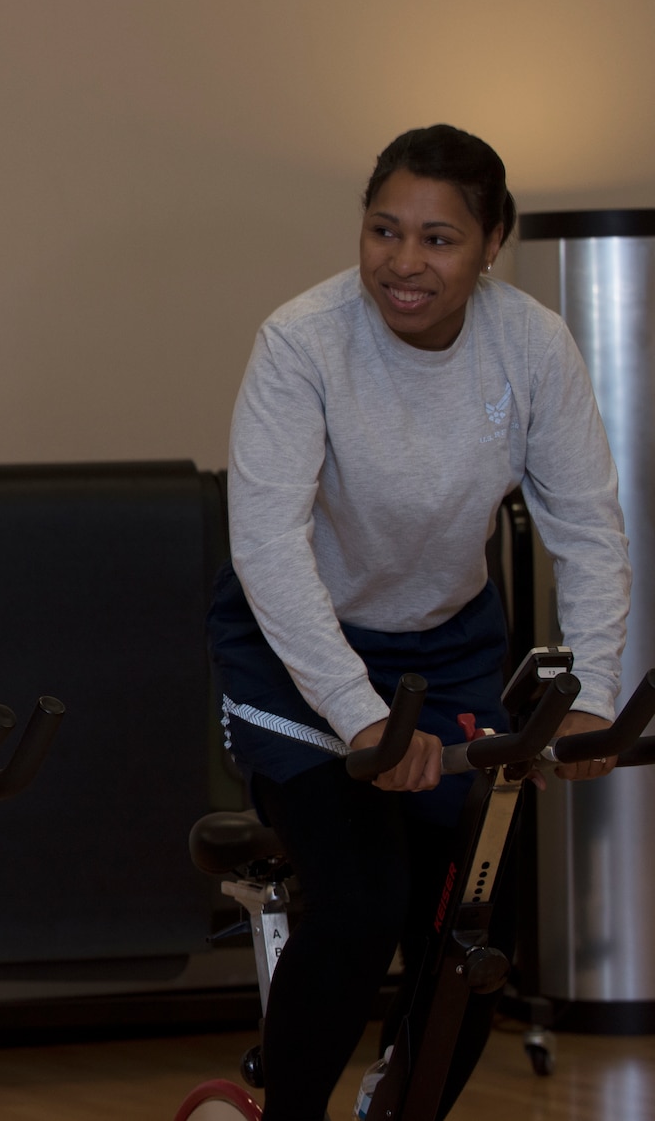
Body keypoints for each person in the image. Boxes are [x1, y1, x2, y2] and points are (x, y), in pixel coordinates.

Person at [213, 125, 631, 1120]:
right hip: (294, 654)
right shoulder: (301, 341)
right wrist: (357, 716)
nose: (402, 265)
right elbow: (268, 549)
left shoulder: (529, 344)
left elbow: (586, 530)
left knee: (469, 939)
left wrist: (593, 698)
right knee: (358, 902)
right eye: (382, 231)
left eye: (437, 240)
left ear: (492, 243)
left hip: (444, 650)